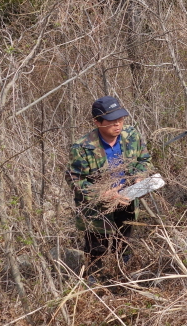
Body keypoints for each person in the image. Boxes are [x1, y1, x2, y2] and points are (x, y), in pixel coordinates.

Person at [66, 96, 152, 274]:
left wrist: (140, 176)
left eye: (120, 119)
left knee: (125, 240)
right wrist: (101, 194)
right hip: (98, 206)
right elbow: (74, 177)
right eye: (112, 121)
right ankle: (94, 281)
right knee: (97, 246)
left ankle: (124, 275)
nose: (118, 125)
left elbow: (144, 160)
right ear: (97, 122)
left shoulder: (131, 135)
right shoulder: (83, 147)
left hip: (127, 198)